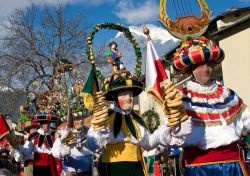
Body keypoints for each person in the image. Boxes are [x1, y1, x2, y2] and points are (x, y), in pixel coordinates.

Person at [171, 36, 250, 175]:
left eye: (209, 64)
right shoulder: (181, 98)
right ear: (191, 70)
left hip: (232, 167)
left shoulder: (228, 95)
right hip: (199, 169)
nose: (207, 69)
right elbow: (172, 132)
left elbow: (247, 120)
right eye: (201, 65)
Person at [87, 70, 191, 176]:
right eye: (124, 94)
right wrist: (98, 128)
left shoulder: (136, 119)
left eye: (131, 94)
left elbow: (149, 143)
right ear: (114, 97)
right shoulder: (106, 117)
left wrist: (167, 120)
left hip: (138, 167)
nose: (129, 98)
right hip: (115, 168)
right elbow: (93, 145)